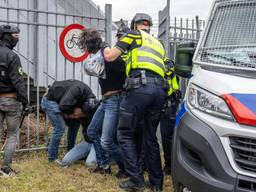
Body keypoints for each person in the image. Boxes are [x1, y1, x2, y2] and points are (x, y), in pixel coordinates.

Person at [103, 13, 168, 192]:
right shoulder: (158, 44)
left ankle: (136, 180)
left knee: (124, 133)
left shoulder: (133, 35)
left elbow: (110, 57)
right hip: (159, 91)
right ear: (149, 26)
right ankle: (157, 184)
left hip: (140, 88)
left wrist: (105, 46)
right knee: (150, 137)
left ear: (134, 25)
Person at [78, 28, 127, 178]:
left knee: (106, 141)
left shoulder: (110, 56)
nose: (86, 50)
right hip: (105, 101)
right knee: (92, 131)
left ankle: (126, 167)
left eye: (86, 46)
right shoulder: (101, 55)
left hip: (114, 100)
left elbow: (124, 74)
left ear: (90, 43)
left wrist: (104, 46)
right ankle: (104, 166)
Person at [41, 79, 97, 163]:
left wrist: (74, 113)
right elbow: (63, 106)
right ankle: (52, 157)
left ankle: (70, 150)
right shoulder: (78, 90)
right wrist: (71, 113)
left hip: (62, 103)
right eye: (82, 114)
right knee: (60, 128)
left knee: (74, 125)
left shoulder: (87, 100)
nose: (80, 116)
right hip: (50, 101)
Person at [0, 25, 30, 176]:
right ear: (7, 36)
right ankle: (5, 168)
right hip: (11, 100)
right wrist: (25, 102)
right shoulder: (12, 56)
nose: (17, 39)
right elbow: (18, 81)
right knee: (12, 134)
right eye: (15, 36)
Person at [160, 58, 180, 175]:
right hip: (157, 102)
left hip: (169, 104)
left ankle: (170, 166)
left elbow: (166, 72)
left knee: (167, 137)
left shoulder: (167, 63)